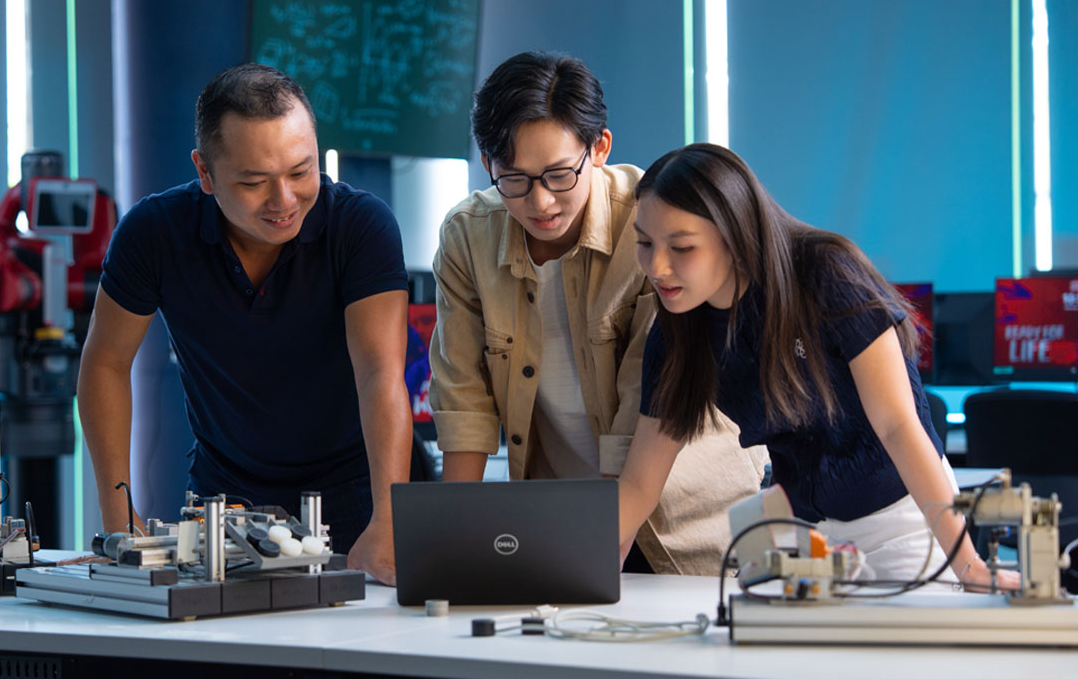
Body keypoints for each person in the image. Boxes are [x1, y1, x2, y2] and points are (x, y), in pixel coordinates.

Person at [619, 143, 1018, 589]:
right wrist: (580, 580)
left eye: (682, 247)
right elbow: (638, 486)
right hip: (799, 524)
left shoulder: (826, 273)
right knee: (758, 647)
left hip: (899, 517)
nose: (657, 266)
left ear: (734, 237)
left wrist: (969, 567)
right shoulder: (677, 331)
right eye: (645, 242)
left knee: (908, 651)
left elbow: (899, 428)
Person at [430, 51, 766, 575]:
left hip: (689, 522)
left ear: (599, 148)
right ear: (486, 162)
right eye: (513, 179)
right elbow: (464, 403)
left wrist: (594, 548)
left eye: (559, 175)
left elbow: (641, 406)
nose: (540, 202)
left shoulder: (651, 224)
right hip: (563, 519)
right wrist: (449, 547)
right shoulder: (467, 238)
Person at [78, 63, 411, 585]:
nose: (284, 201)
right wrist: (118, 519)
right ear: (205, 173)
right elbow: (105, 364)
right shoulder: (154, 233)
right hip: (223, 498)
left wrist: (389, 522)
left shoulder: (361, 226)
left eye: (301, 172)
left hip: (358, 494)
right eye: (255, 182)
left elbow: (380, 376)